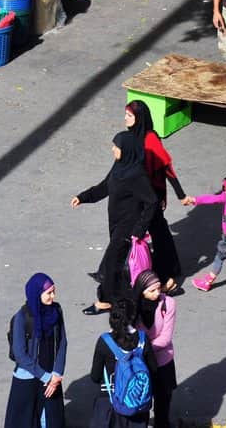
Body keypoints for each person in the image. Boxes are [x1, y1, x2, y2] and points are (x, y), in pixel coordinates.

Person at [73, 132, 160, 315]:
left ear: (127, 149)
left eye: (116, 146)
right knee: (118, 262)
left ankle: (104, 301)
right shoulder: (120, 166)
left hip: (128, 226)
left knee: (112, 262)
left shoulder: (136, 174)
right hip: (116, 222)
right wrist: (83, 197)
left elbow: (152, 201)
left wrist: (139, 229)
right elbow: (105, 186)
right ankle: (127, 296)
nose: (113, 149)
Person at [125, 100, 186, 294]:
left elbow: (167, 167)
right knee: (158, 232)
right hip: (139, 193)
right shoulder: (131, 136)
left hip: (151, 195)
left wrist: (181, 194)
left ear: (139, 118)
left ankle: (167, 279)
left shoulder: (150, 139)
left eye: (129, 115)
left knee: (156, 233)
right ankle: (168, 272)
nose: (125, 119)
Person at [4, 273, 67, 428]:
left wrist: (57, 373)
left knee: (51, 420)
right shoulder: (22, 317)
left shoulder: (56, 311)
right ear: (37, 293)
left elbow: (62, 343)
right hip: (29, 377)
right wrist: (45, 377)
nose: (53, 296)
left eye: (54, 291)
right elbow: (20, 354)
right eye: (48, 293)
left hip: (51, 376)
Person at [88, 298, 158, 428]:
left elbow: (95, 376)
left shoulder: (104, 342)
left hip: (110, 403)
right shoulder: (143, 339)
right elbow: (154, 370)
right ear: (133, 316)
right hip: (138, 404)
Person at [132, 271, 176, 428]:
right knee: (140, 402)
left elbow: (166, 338)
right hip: (141, 364)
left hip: (163, 361)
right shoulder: (133, 308)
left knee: (163, 401)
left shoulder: (168, 303)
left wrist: (144, 350)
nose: (157, 293)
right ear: (141, 291)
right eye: (152, 290)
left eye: (158, 288)